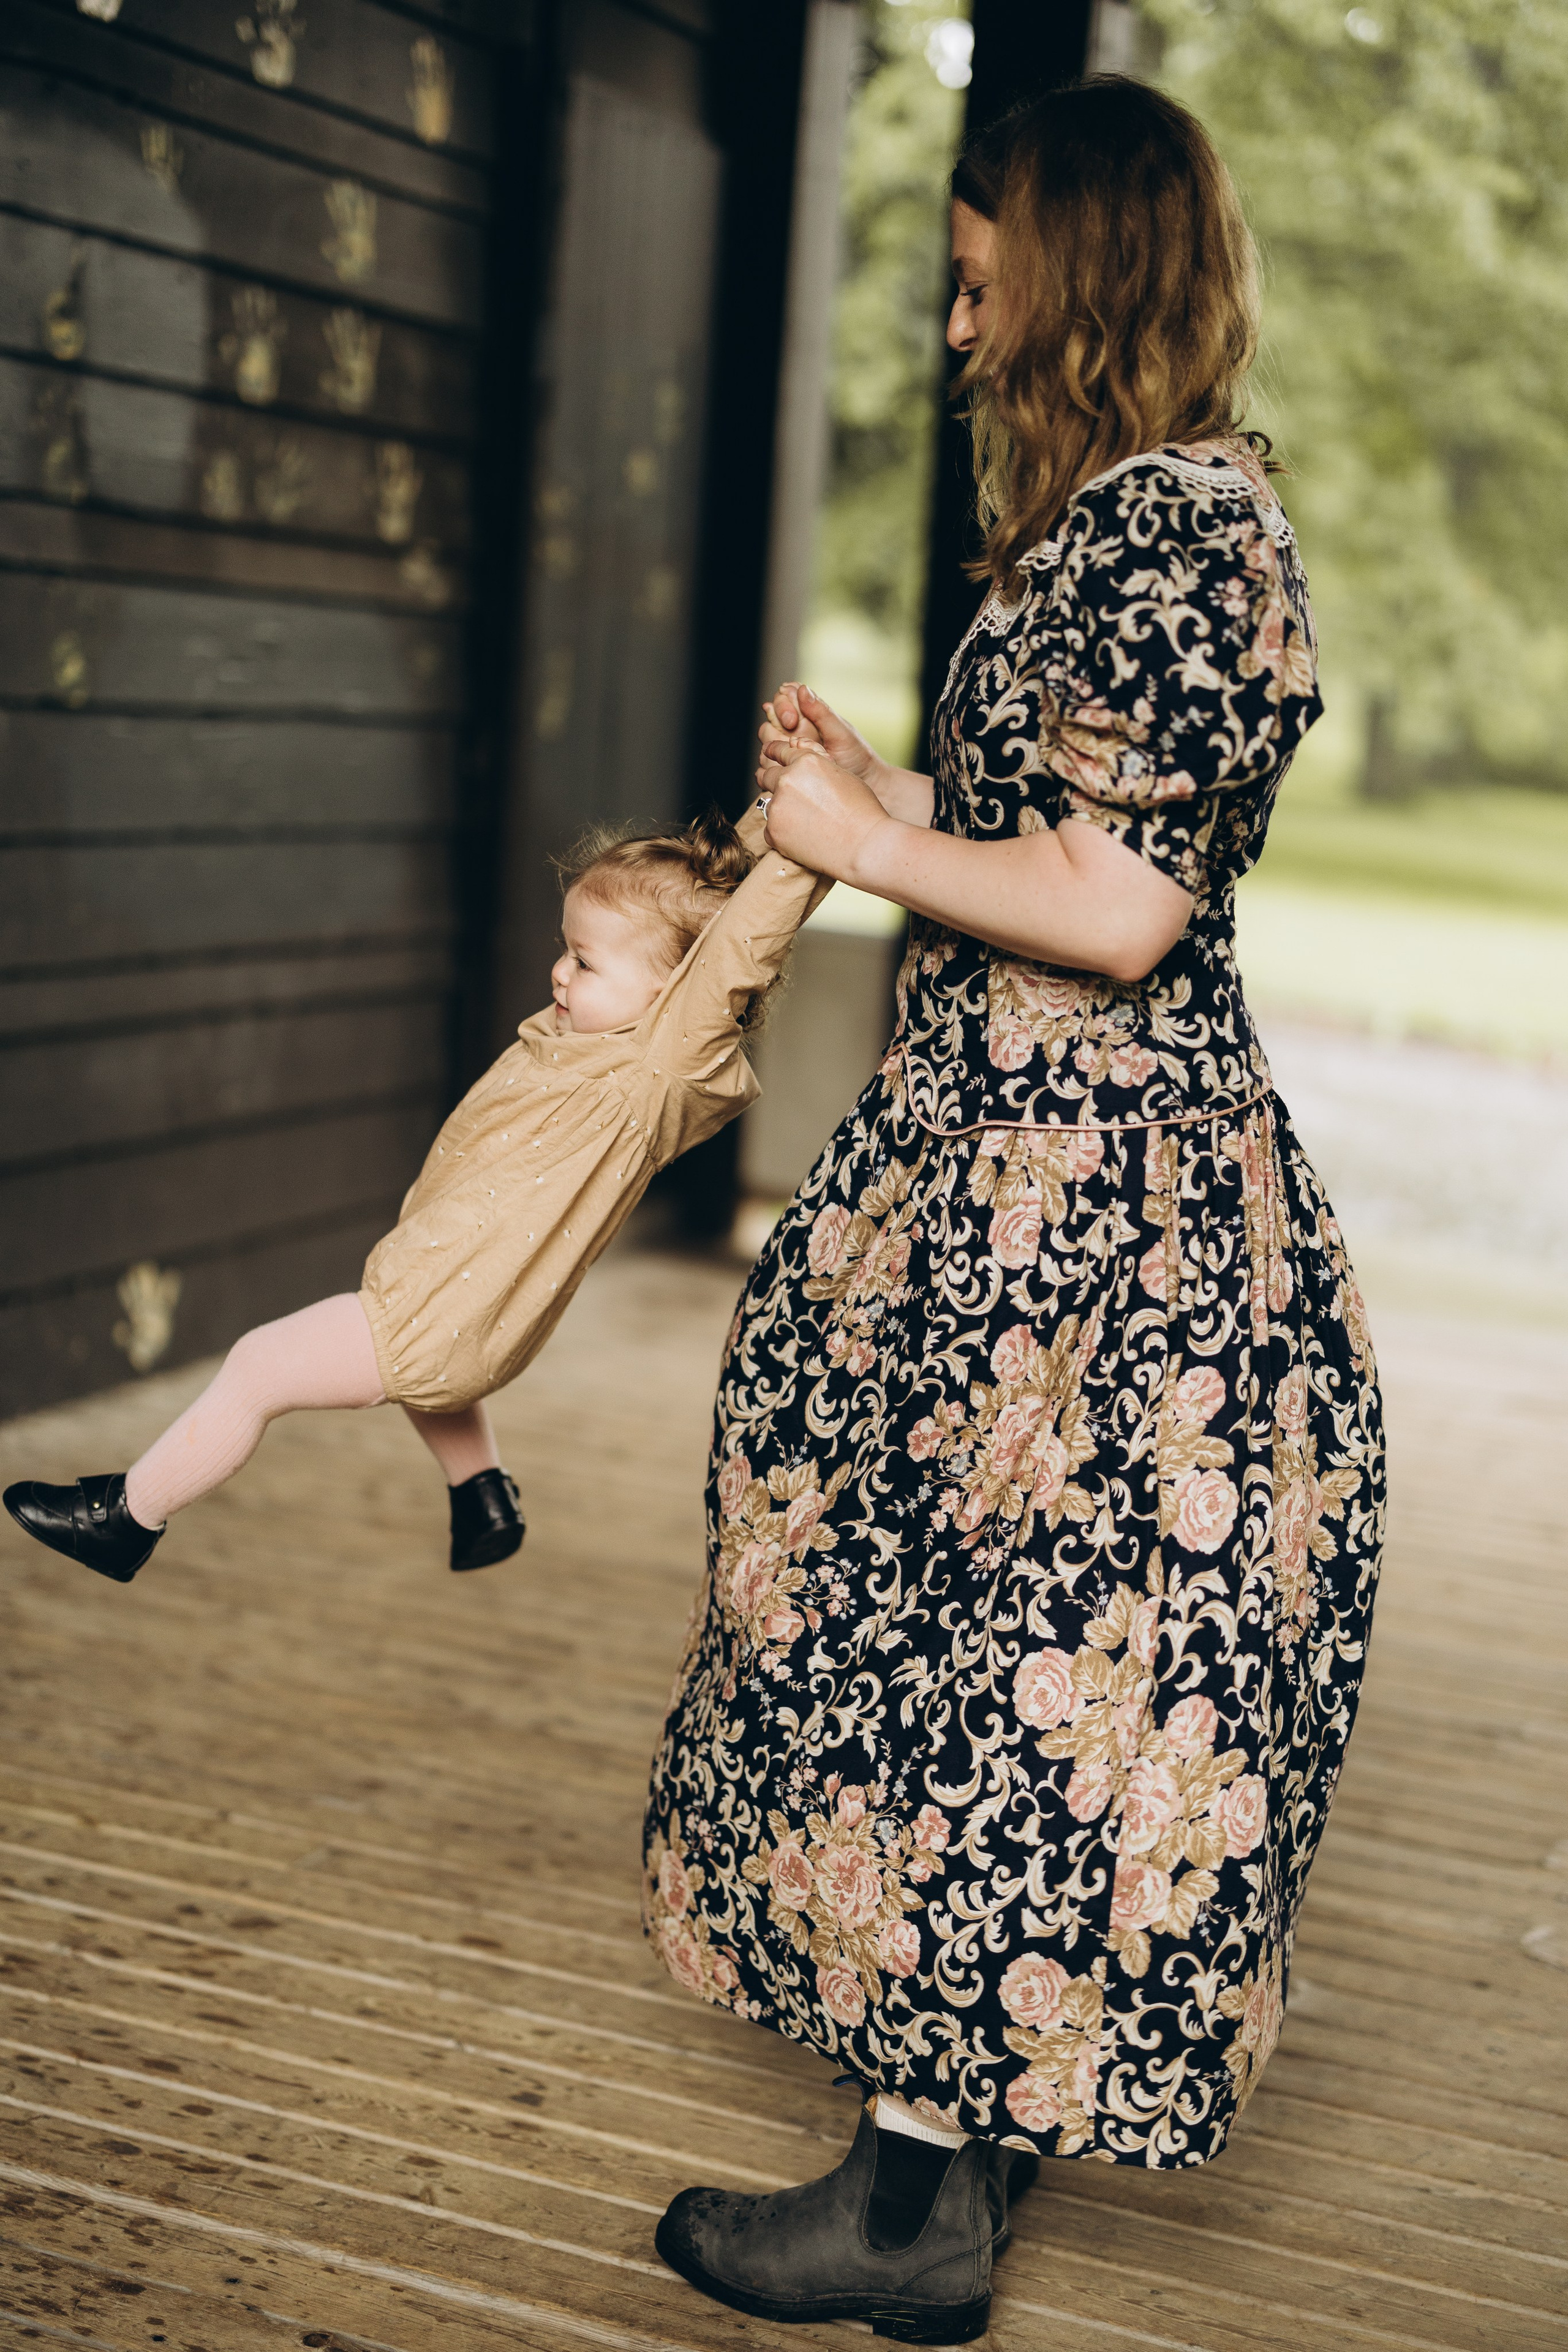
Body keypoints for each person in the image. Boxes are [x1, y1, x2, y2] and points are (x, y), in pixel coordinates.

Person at [645, 77, 1384, 2342]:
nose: (962, 336)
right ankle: (933, 2190)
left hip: (1089, 1211)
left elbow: (1125, 900)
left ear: (1085, 270)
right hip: (1010, 1164)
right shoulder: (1125, 528)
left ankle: (913, 2199)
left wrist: (877, 855)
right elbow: (1045, 837)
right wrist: (883, 792)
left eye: (986, 286)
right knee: (960, 1629)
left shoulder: (1181, 533)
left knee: (1003, 1645)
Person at [5, 805, 826, 1585]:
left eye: (585, 960)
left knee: (261, 1365)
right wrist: (776, 808)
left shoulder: (650, 1073)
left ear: (675, 994)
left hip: (447, 1304)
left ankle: (127, 1520)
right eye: (564, 946)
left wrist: (806, 845)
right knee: (423, 1377)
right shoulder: (598, 1041)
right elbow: (723, 907)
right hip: (449, 1294)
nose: (559, 970)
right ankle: (482, 1497)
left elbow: (737, 947)